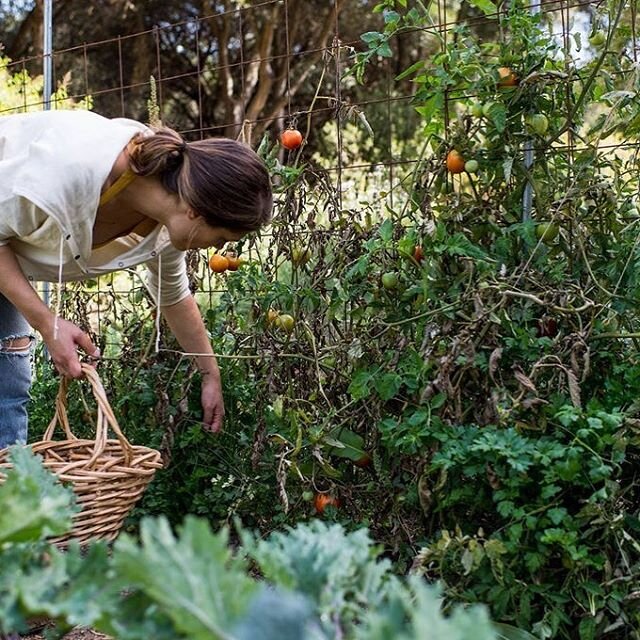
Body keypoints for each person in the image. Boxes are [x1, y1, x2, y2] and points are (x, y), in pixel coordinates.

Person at [0, 108, 273, 448]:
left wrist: (210, 373)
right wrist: (46, 323)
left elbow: (173, 295)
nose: (212, 249)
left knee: (7, 397)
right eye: (220, 239)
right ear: (196, 212)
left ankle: (9, 495)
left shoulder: (166, 219)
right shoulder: (70, 171)